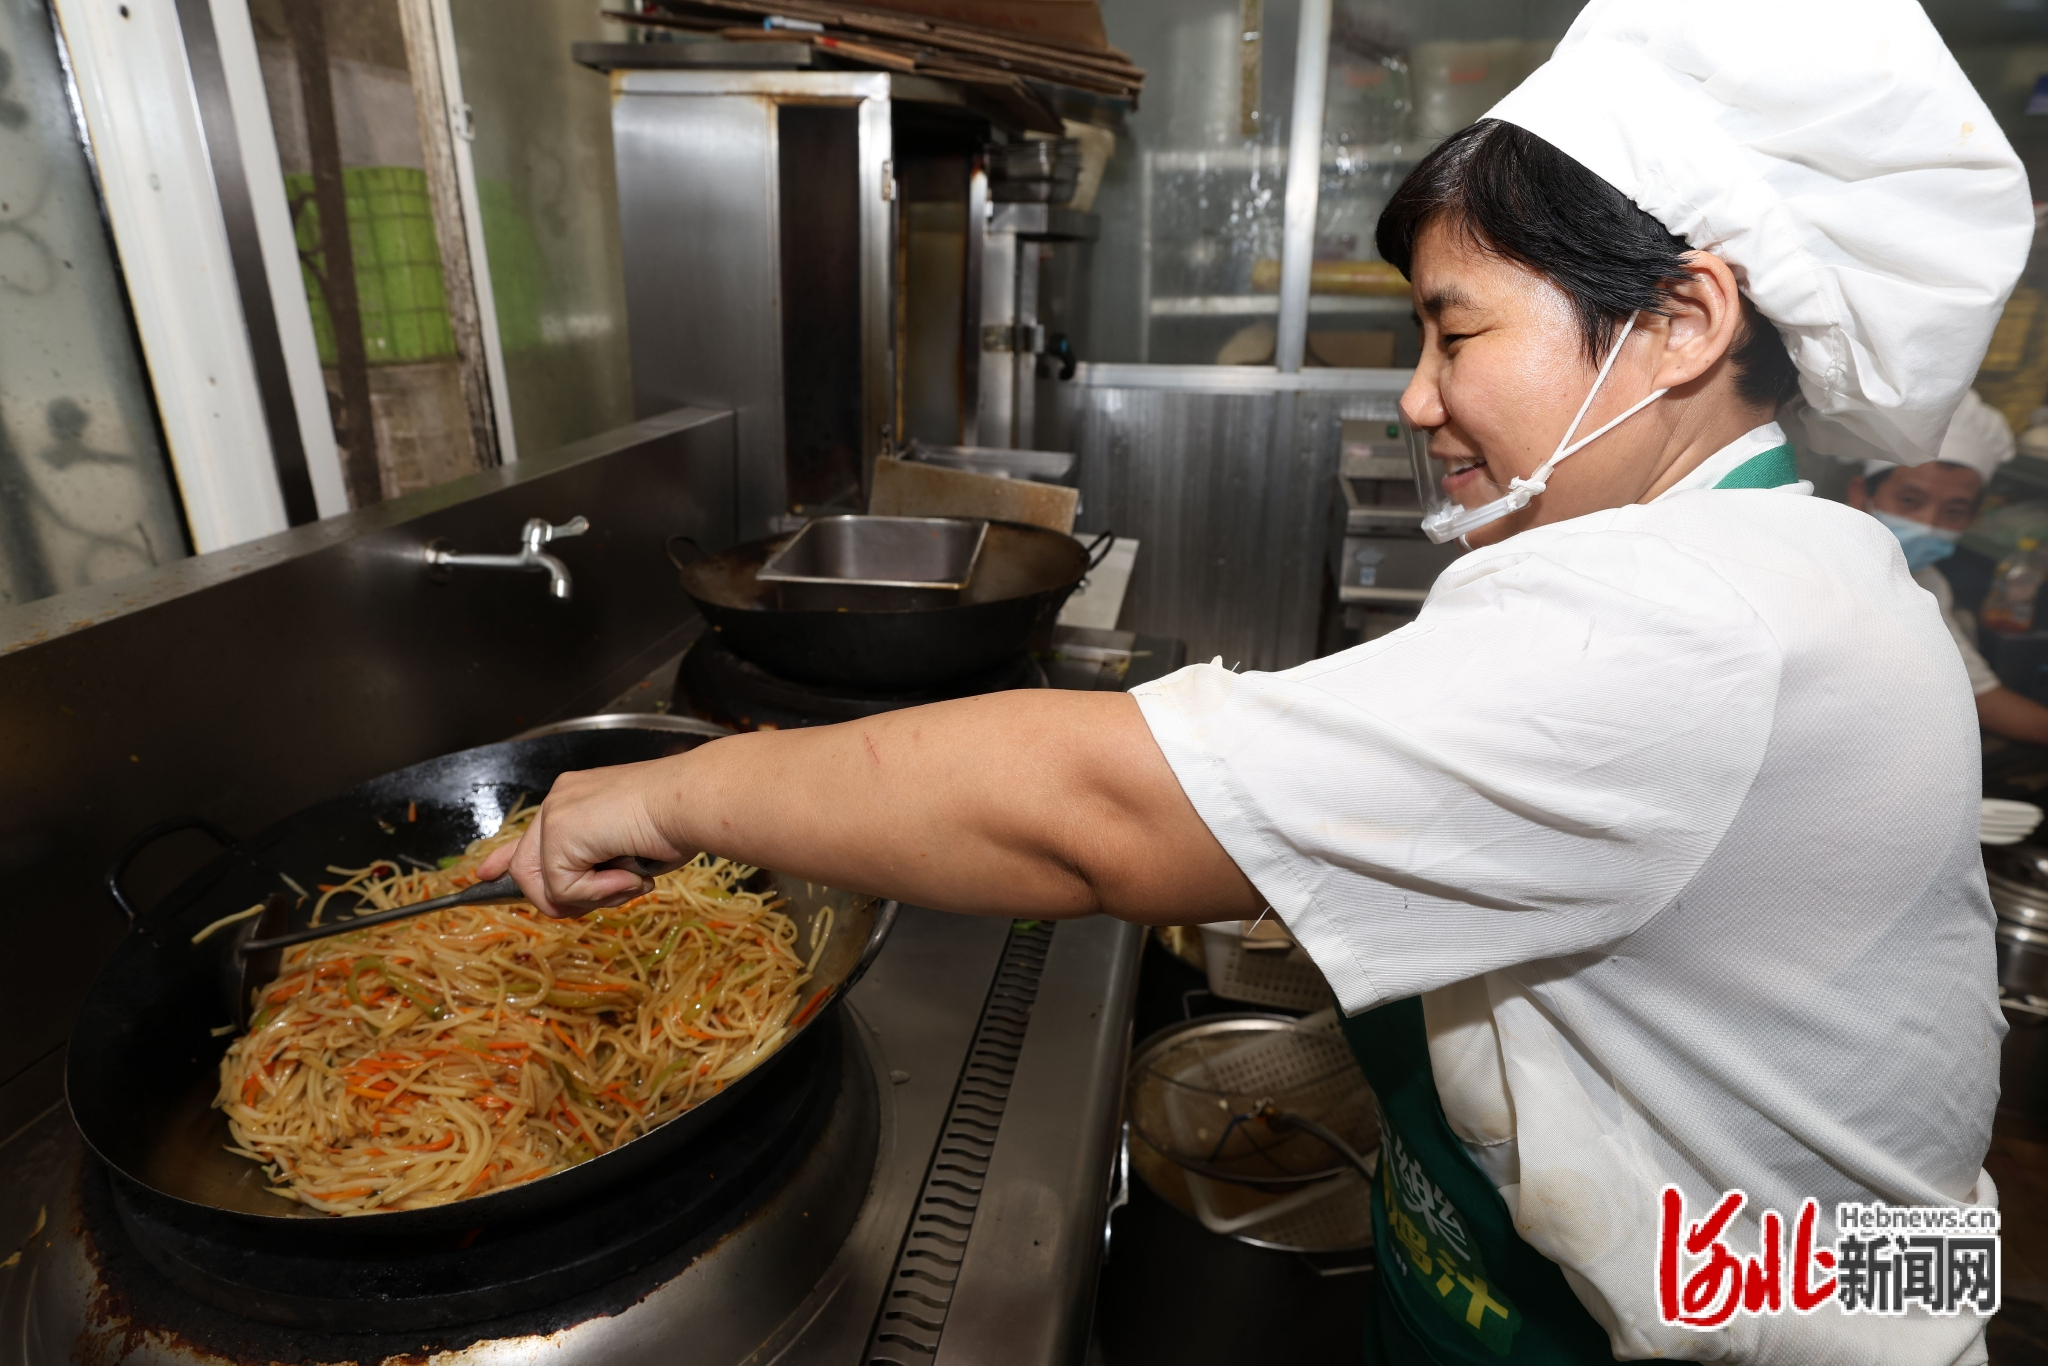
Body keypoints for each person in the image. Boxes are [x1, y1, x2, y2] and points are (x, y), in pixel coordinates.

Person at [479, 1, 2030, 1360]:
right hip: (1715, 1284)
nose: (1421, 395)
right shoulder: (1800, 566)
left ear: (1681, 319)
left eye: (1454, 326)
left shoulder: (1686, 617)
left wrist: (666, 792)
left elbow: (1091, 814)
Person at [1847, 389, 2048, 745]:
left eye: (1953, 511)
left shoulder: (1928, 585)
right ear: (1861, 495)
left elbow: (1980, 693)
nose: (1928, 523)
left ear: (1973, 518)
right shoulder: (1808, 565)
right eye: (1910, 501)